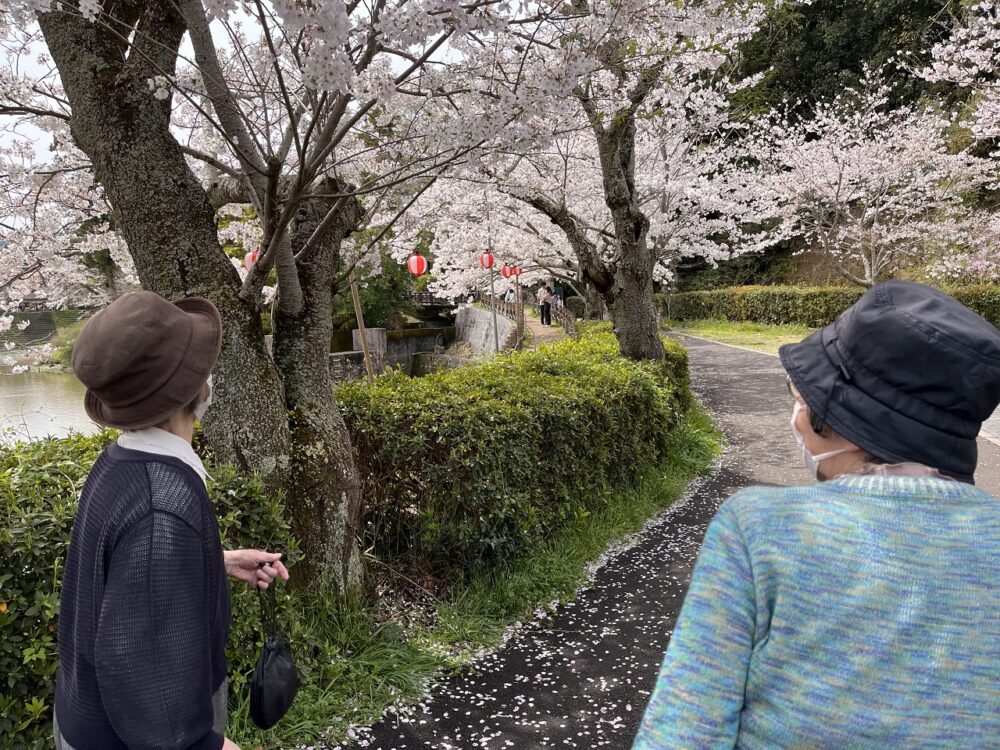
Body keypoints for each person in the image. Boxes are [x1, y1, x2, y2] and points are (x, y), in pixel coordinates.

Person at [634, 280, 1000, 748]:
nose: (796, 416)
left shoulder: (758, 527)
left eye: (803, 400)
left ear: (839, 419)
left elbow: (684, 729)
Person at [55, 291, 289, 750]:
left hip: (84, 718)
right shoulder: (164, 499)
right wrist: (208, 745)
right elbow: (141, 669)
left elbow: (122, 575)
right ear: (192, 388)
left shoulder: (120, 462)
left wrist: (210, 560)